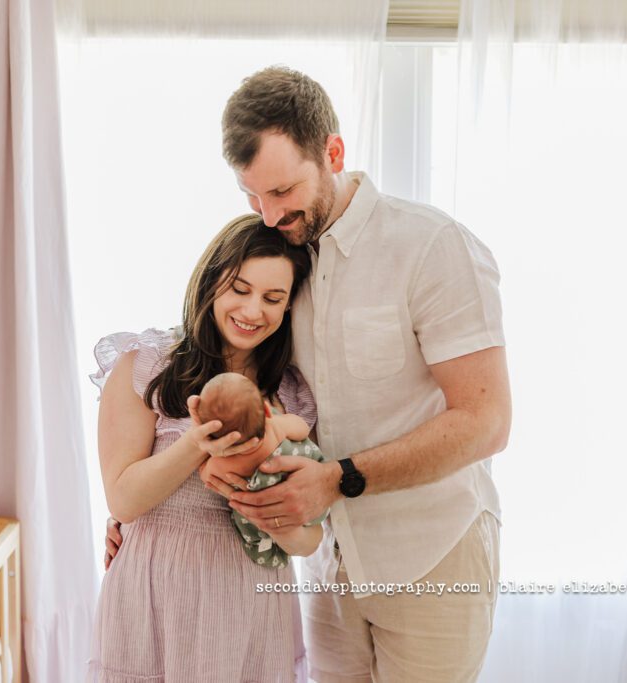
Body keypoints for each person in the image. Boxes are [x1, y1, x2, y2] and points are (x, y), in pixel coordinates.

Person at [107, 66, 512, 682]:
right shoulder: (284, 260)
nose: (268, 215)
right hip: (327, 566)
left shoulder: (432, 247)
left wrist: (340, 478)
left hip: (432, 556)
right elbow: (235, 376)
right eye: (252, 196)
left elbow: (487, 421)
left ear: (334, 153)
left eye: (282, 191)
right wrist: (142, 514)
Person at [89, 213, 316, 682]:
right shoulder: (148, 365)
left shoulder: (292, 397)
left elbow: (309, 537)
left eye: (273, 298)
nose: (253, 311)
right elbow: (123, 500)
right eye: (240, 289)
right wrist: (198, 442)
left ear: (290, 306)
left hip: (251, 594)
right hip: (156, 591)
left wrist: (262, 509)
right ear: (211, 282)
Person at [196, 372, 327, 568]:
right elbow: (302, 429)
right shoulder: (276, 427)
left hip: (268, 516)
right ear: (267, 410)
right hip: (308, 498)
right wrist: (284, 422)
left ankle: (266, 547)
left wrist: (209, 456)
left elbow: (205, 473)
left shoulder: (223, 464)